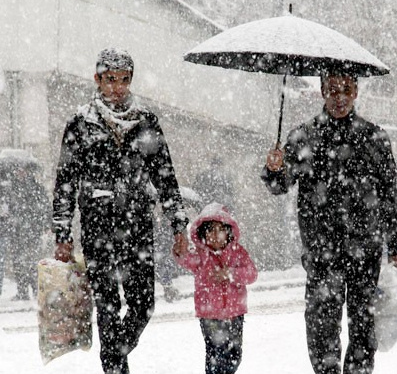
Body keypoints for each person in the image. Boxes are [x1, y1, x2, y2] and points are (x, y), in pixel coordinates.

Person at [52, 48, 189, 374]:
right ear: (97, 79)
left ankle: (114, 358)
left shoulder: (146, 122)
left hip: (138, 224)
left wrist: (179, 225)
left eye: (124, 80)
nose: (117, 87)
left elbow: (166, 176)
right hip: (97, 225)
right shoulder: (81, 123)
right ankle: (116, 368)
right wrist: (62, 233)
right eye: (110, 80)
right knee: (108, 307)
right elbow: (65, 182)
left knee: (143, 305)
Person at [261, 72, 397, 374]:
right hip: (320, 250)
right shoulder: (304, 137)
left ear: (356, 93)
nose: (340, 97)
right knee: (321, 326)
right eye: (333, 90)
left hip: (365, 249)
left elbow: (389, 193)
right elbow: (279, 186)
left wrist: (396, 243)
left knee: (363, 327)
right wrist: (274, 169)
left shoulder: (374, 138)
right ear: (322, 92)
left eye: (347, 90)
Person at [173, 202, 257, 374]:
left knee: (234, 355)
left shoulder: (237, 252)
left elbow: (251, 274)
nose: (215, 235)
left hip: (235, 313)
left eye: (220, 229)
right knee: (215, 354)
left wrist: (231, 274)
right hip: (209, 314)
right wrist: (180, 252)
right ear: (203, 235)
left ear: (228, 231)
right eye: (210, 230)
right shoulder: (201, 255)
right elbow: (187, 259)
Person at [0, 154, 50, 300]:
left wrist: (46, 224)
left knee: (32, 260)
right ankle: (22, 291)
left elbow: (45, 207)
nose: (19, 173)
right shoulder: (11, 189)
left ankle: (35, 289)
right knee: (18, 261)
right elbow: (8, 207)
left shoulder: (36, 188)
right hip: (16, 230)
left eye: (22, 170)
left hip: (32, 229)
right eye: (17, 170)